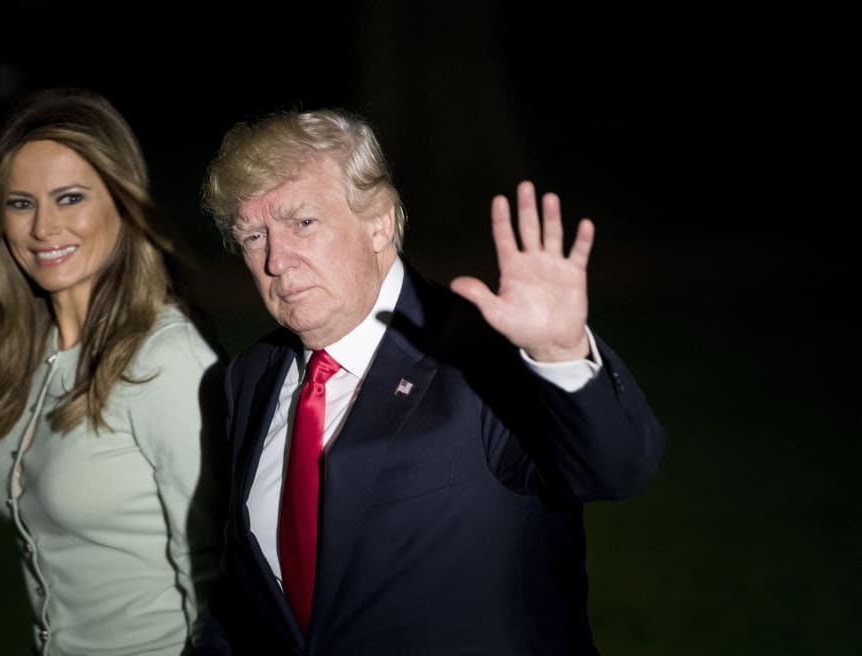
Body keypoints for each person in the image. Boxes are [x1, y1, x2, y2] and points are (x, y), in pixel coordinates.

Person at [197, 107, 666, 655]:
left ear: (379, 222)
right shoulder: (249, 378)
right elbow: (247, 595)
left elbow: (618, 468)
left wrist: (560, 352)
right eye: (254, 235)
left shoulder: (482, 355)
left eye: (303, 223)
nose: (277, 260)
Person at [0, 87, 227, 655]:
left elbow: (219, 573)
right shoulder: (36, 349)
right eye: (21, 203)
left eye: (69, 198)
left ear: (122, 201)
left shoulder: (166, 359)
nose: (43, 228)